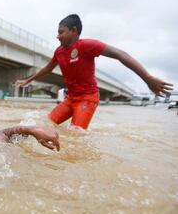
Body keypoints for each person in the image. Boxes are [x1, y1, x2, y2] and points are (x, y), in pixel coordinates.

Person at [15, 14, 174, 130]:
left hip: (87, 98)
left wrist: (147, 77)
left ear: (74, 31)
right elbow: (48, 68)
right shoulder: (59, 51)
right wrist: (28, 80)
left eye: (61, 32)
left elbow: (120, 54)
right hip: (71, 99)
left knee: (76, 135)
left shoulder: (87, 45)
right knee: (46, 125)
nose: (57, 36)